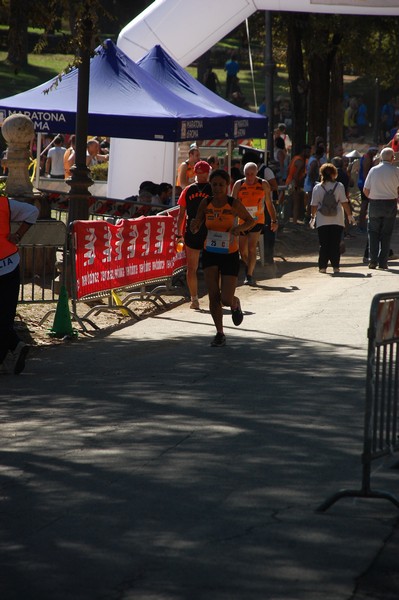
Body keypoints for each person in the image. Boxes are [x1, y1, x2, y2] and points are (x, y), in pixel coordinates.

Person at [190, 169, 254, 347]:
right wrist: (194, 226)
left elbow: (251, 220)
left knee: (225, 298)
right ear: (210, 185)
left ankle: (234, 303)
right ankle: (219, 333)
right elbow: (198, 222)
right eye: (214, 184)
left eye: (221, 185)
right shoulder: (206, 202)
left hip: (229, 254)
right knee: (213, 296)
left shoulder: (233, 203)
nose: (217, 188)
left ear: (227, 186)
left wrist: (238, 229)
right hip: (210, 252)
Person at [0, 196, 39, 375]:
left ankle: (15, 347)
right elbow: (33, 211)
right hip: (9, 264)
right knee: (5, 317)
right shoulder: (5, 203)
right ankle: (15, 348)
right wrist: (18, 235)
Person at [232, 162, 278, 284]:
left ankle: (249, 275)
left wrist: (274, 220)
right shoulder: (238, 184)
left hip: (257, 221)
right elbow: (232, 205)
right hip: (243, 221)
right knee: (243, 251)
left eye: (252, 174)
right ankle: (250, 266)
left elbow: (269, 203)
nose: (250, 177)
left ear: (256, 173)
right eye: (247, 174)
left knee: (252, 247)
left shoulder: (263, 184)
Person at [176, 161, 212, 310]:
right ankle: (215, 298)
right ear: (206, 172)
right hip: (210, 229)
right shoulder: (214, 188)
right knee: (214, 266)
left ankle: (194, 299)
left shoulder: (188, 190)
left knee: (192, 268)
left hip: (192, 230)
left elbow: (181, 214)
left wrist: (179, 234)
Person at [310, 163, 354, 274]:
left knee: (324, 244)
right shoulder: (339, 186)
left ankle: (322, 267)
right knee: (335, 243)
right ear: (334, 173)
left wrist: (312, 217)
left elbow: (314, 205)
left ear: (322, 173)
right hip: (337, 219)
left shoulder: (317, 187)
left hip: (322, 220)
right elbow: (344, 202)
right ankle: (335, 267)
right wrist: (349, 215)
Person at [363, 147, 399, 270]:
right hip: (390, 203)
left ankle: (373, 260)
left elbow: (366, 189)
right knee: (386, 233)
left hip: (375, 203)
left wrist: (372, 198)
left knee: (373, 232)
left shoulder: (373, 170)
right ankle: (383, 262)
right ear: (392, 158)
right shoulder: (396, 171)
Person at [285, 145, 311, 223]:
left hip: (289, 182)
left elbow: (288, 169)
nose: (309, 154)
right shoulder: (300, 162)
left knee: (289, 201)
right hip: (294, 183)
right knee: (296, 203)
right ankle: (294, 221)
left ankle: (287, 219)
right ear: (303, 151)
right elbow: (296, 175)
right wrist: (298, 186)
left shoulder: (295, 158)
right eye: (308, 152)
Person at [357, 147, 379, 232]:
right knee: (364, 204)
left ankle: (361, 224)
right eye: (375, 151)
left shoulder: (367, 157)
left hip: (362, 182)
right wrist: (368, 185)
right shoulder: (367, 158)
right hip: (364, 183)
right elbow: (366, 173)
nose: (375, 153)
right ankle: (361, 224)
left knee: (365, 204)